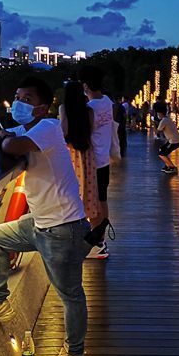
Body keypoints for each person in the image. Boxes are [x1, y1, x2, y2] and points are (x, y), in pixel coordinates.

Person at [0, 76, 90, 356]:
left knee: (70, 294)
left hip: (63, 228)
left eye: (27, 99)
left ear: (43, 107)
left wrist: (3, 138)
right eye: (17, 97)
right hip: (41, 223)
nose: (19, 103)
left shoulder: (47, 127)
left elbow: (13, 144)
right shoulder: (28, 129)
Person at [80, 65, 114, 257]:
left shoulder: (91, 108)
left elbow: (86, 132)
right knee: (102, 199)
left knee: (92, 201)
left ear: (85, 86)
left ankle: (97, 243)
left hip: (93, 161)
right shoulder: (107, 101)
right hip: (104, 159)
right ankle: (101, 239)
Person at [59, 80, 103, 228]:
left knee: (71, 187)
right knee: (89, 188)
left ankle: (73, 220)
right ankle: (91, 226)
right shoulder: (89, 110)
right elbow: (91, 130)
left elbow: (64, 131)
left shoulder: (64, 108)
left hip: (70, 151)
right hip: (87, 152)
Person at [154, 103, 179, 173]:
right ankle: (168, 165)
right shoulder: (167, 119)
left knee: (162, 154)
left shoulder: (163, 121)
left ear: (160, 113)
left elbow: (157, 132)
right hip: (174, 140)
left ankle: (172, 167)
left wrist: (153, 124)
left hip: (174, 141)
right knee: (163, 149)